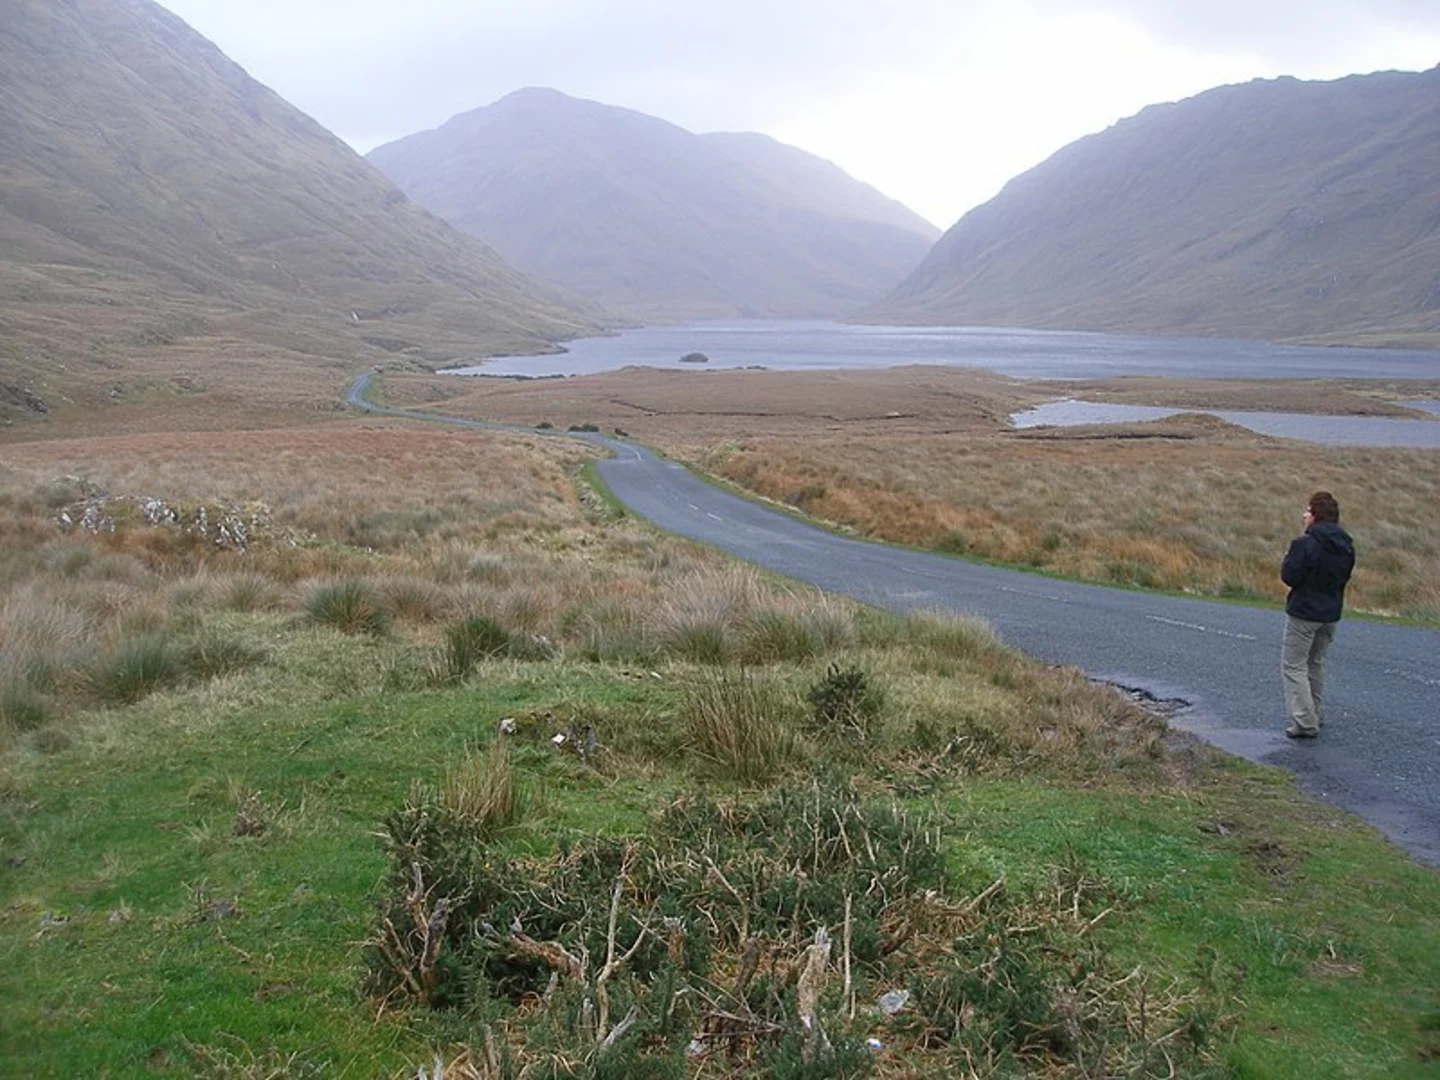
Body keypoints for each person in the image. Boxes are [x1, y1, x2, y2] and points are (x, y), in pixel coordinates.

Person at [1279, 491, 1355, 739]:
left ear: (1315, 516)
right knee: (1316, 663)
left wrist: (1288, 560)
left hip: (1304, 612)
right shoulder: (1345, 545)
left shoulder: (1305, 544)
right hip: (1331, 612)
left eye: (1308, 511)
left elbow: (1290, 577)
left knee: (1294, 665)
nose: (1304, 515)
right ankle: (1316, 713)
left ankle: (1304, 721)